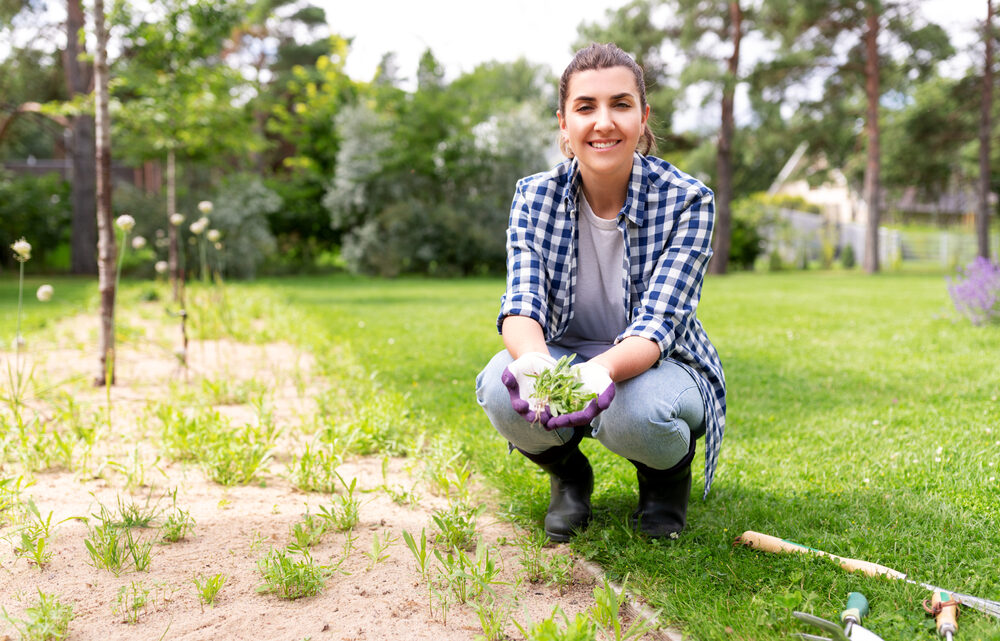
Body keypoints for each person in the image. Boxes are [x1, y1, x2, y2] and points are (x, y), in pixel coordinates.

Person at [475, 43, 726, 542]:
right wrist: (536, 367)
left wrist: (601, 372)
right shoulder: (534, 196)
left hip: (661, 363)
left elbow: (659, 325)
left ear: (643, 116)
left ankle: (663, 481)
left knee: (632, 412)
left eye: (621, 104)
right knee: (501, 388)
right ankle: (570, 476)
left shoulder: (688, 200)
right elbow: (521, 304)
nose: (604, 122)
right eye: (586, 107)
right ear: (564, 125)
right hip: (567, 351)